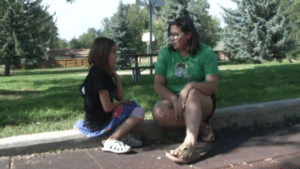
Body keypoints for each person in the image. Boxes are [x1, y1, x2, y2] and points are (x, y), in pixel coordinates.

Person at [152, 17, 219, 164]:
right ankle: (200, 124)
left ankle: (190, 145)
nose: (172, 38)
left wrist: (189, 86)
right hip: (175, 101)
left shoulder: (205, 52)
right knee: (158, 111)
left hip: (202, 100)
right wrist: (174, 98)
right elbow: (159, 85)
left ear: (188, 35)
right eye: (171, 34)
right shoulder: (165, 53)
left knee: (193, 93)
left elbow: (212, 86)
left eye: (177, 34)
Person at [74, 37, 145, 154]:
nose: (116, 56)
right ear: (104, 54)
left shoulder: (102, 73)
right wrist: (122, 103)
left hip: (98, 119)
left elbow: (118, 97)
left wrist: (117, 78)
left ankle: (122, 135)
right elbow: (108, 107)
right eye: (114, 52)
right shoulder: (99, 76)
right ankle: (112, 140)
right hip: (100, 123)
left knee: (134, 105)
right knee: (139, 112)